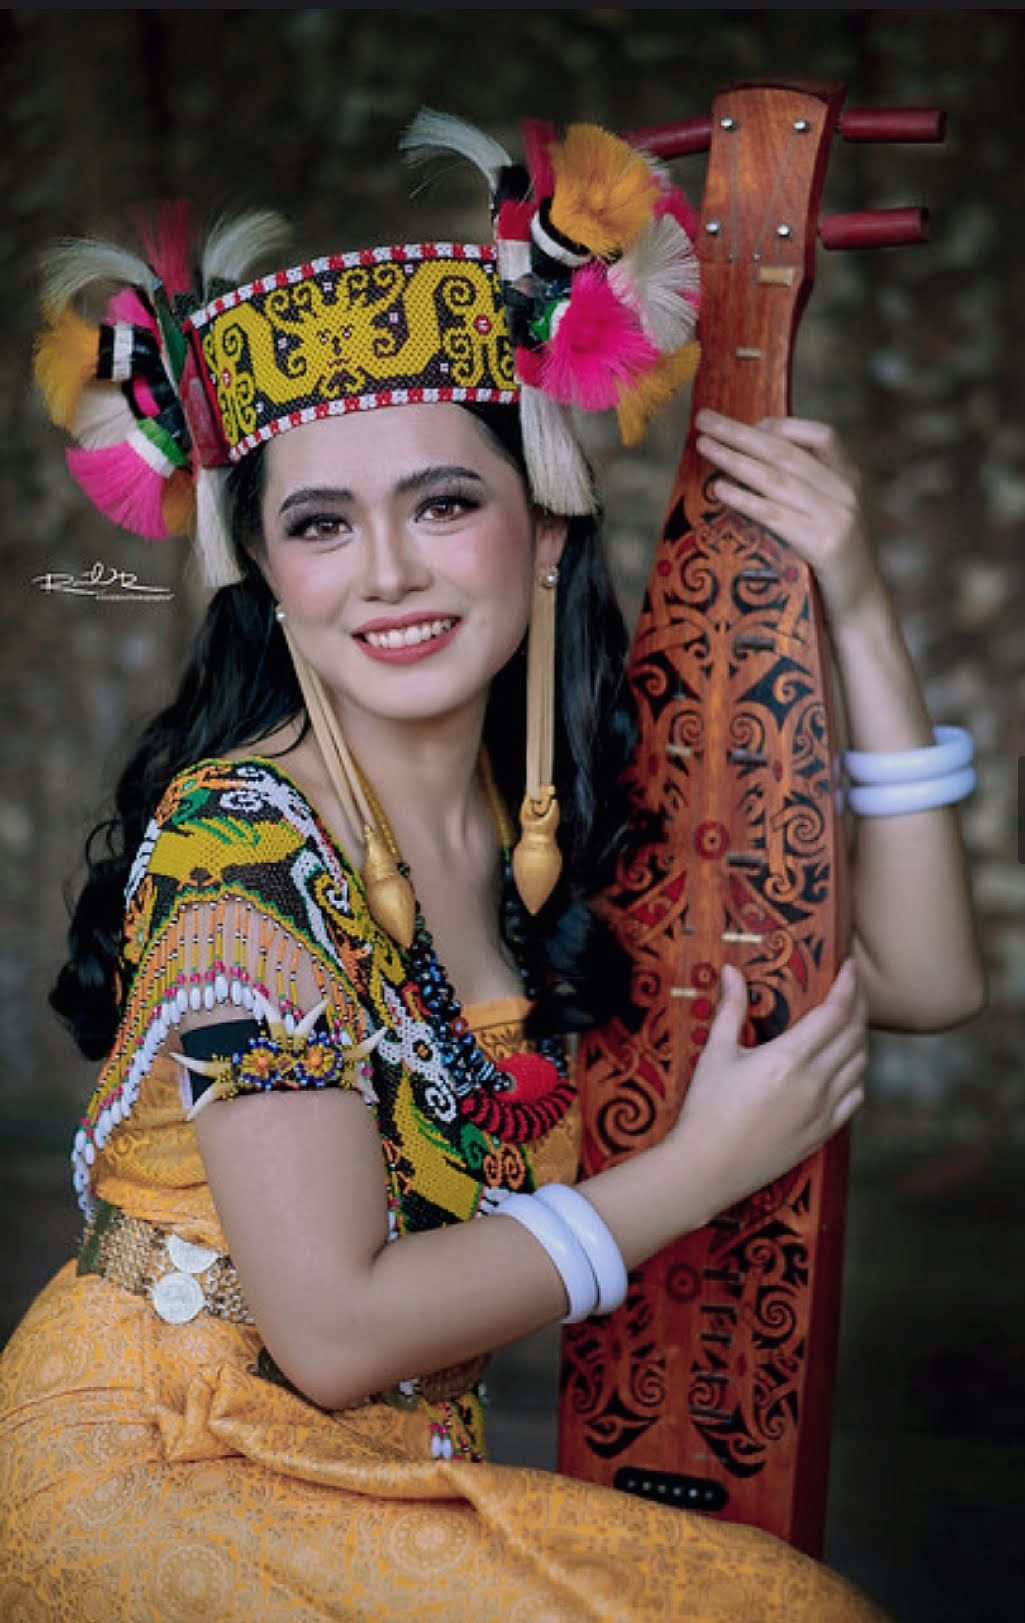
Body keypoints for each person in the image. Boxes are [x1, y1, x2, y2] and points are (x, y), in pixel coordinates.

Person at [0, 112, 982, 1621]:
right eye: (321, 524)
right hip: (157, 1462)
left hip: (377, 1473)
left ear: (543, 531)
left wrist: (850, 601)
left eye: (443, 503)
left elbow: (918, 978)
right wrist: (698, 1171)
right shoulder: (241, 842)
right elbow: (333, 1334)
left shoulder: (557, 828)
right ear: (269, 577)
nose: (389, 570)